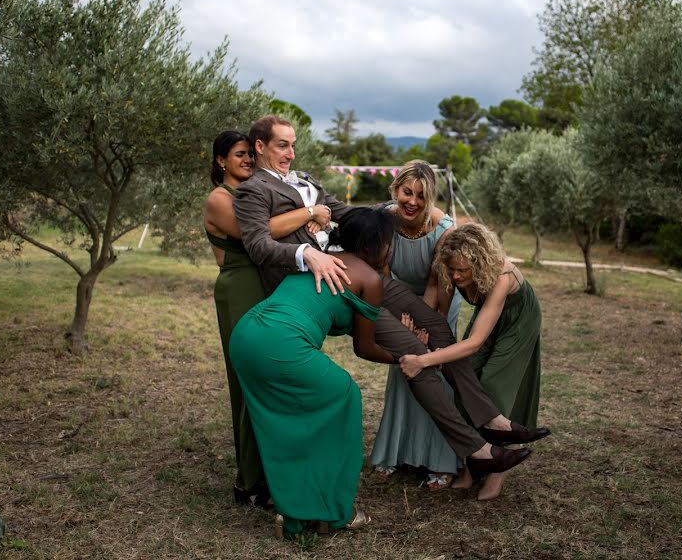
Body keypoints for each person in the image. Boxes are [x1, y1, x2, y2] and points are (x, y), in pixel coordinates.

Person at [233, 115, 542, 502]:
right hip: (333, 282)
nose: (291, 153)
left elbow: (346, 213)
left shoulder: (306, 180)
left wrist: (389, 214)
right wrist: (307, 254)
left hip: (358, 266)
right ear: (260, 146)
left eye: (293, 145)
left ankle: (489, 418)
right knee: (416, 349)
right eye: (282, 145)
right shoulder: (253, 191)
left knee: (435, 324)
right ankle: (475, 450)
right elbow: (258, 245)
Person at [226, 208, 406, 537]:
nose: (391, 249)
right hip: (282, 344)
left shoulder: (318, 258)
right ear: (377, 243)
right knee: (345, 396)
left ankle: (296, 506)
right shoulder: (369, 278)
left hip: (246, 334)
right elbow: (364, 348)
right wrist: (402, 358)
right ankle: (335, 511)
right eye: (389, 242)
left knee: (284, 419)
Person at [203, 130, 332, 507]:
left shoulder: (254, 193)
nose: (246, 160)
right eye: (238, 154)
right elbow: (256, 234)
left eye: (249, 154)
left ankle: (274, 470)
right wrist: (309, 213)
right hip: (240, 285)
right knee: (249, 380)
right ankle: (250, 480)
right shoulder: (220, 198)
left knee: (272, 376)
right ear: (220, 161)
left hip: (268, 284)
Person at [399, 222, 548, 501]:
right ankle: (475, 461)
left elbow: (474, 343)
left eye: (463, 271)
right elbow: (438, 317)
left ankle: (497, 472)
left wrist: (424, 360)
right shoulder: (450, 270)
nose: (456, 276)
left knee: (494, 383)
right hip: (488, 315)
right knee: (467, 381)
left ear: (480, 264)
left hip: (518, 319)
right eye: (452, 269)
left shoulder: (501, 276)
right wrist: (420, 334)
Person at [369, 160, 462, 486]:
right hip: (397, 296)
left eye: (421, 196)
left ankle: (441, 459)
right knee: (403, 365)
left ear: (431, 198)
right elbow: (380, 272)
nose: (412, 201)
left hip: (438, 301)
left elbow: (438, 284)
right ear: (396, 189)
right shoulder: (383, 218)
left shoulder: (443, 229)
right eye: (407, 192)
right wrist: (399, 321)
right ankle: (395, 451)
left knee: (432, 367)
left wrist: (423, 326)